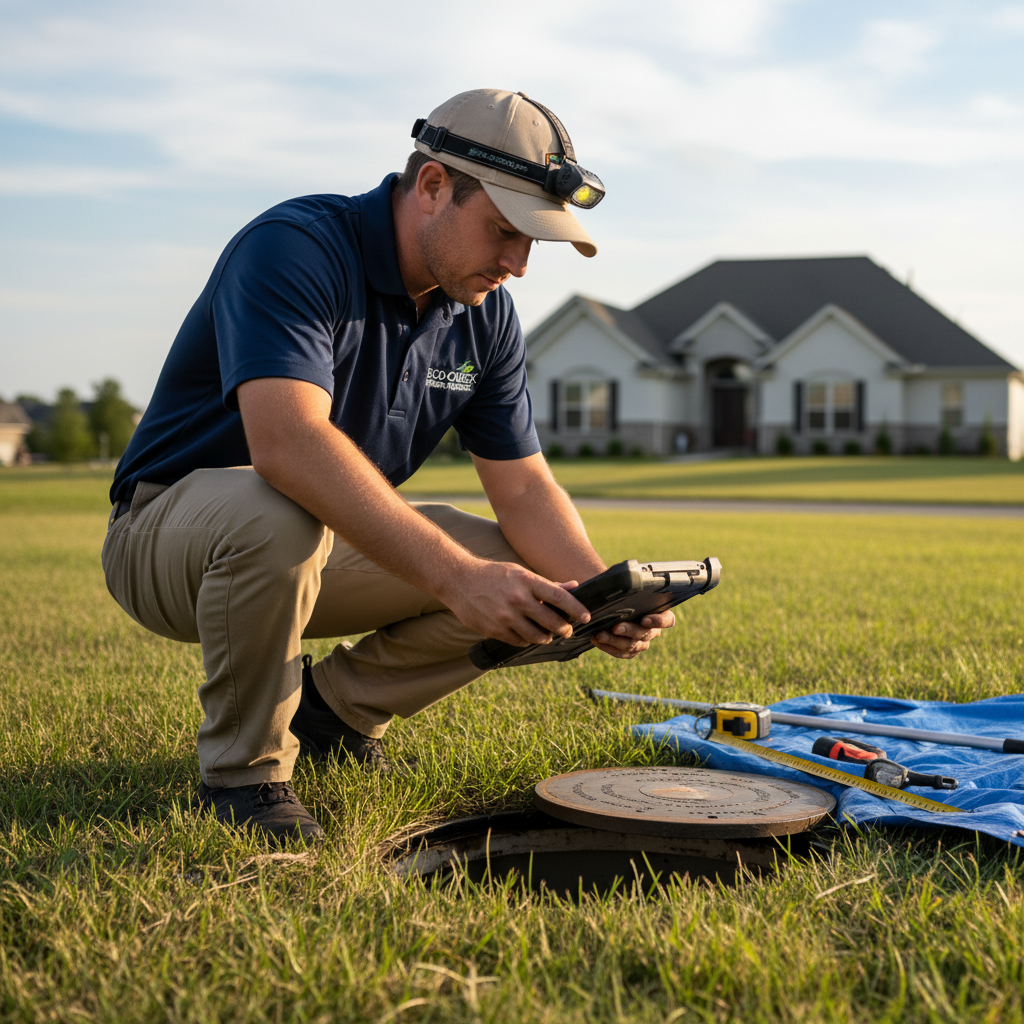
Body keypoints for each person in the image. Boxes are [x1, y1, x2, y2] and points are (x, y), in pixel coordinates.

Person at [102, 88, 675, 844]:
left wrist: (600, 599)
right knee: (284, 508)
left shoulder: (484, 310)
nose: (520, 264)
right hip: (170, 537)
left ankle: (333, 713)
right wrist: (455, 578)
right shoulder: (295, 246)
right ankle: (246, 780)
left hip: (315, 544)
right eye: (505, 230)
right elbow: (287, 444)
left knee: (539, 580)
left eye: (534, 243)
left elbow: (526, 484)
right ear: (433, 185)